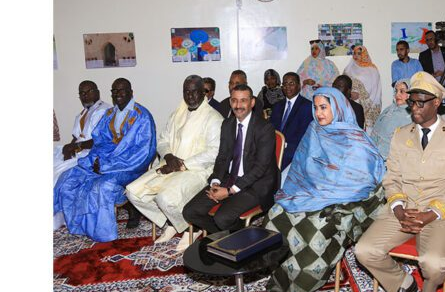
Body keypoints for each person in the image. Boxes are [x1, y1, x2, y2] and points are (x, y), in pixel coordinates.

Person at [355, 71, 445, 292]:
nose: (414, 108)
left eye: (421, 102)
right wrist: (399, 209)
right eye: (412, 102)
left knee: (434, 264)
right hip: (404, 209)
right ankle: (403, 284)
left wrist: (430, 214)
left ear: (436, 103)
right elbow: (392, 177)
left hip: (439, 213)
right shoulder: (401, 134)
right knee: (364, 250)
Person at [265, 87, 386, 292]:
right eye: (315, 107)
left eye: (323, 107)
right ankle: (280, 274)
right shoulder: (314, 130)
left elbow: (363, 180)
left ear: (337, 108)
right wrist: (311, 190)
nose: (318, 113)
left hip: (345, 202)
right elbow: (302, 168)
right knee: (275, 215)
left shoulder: (354, 138)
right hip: (311, 193)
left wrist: (327, 191)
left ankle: (300, 283)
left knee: (315, 230)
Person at [125, 76, 223, 249]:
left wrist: (183, 164)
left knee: (165, 198)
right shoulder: (177, 114)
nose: (190, 96)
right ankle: (173, 221)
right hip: (170, 165)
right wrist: (169, 156)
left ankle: (193, 228)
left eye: (194, 91)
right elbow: (162, 141)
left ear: (203, 92)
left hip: (197, 170)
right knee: (133, 193)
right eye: (186, 92)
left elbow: (214, 153)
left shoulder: (214, 118)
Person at [53, 78, 157, 242]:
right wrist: (95, 161)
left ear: (131, 92)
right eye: (114, 91)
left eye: (121, 90)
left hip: (130, 167)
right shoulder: (110, 115)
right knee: (68, 179)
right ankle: (79, 227)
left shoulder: (142, 116)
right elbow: (99, 142)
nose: (117, 94)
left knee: (100, 186)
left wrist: (107, 165)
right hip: (104, 163)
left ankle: (104, 233)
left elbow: (143, 152)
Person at [181, 84, 279, 249]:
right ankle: (229, 237)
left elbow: (260, 168)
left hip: (256, 184)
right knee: (190, 211)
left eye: (243, 100)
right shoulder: (227, 124)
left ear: (252, 103)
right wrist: (216, 182)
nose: (238, 105)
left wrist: (230, 191)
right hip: (229, 178)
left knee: (222, 217)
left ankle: (239, 240)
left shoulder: (264, 128)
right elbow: (222, 157)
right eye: (234, 100)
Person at [54, 80, 112, 186]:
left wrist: (75, 146)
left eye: (89, 92)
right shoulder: (85, 112)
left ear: (97, 92)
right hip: (79, 151)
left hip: (93, 155)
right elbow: (77, 137)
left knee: (57, 175)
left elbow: (101, 140)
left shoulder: (104, 111)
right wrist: (69, 149)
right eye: (82, 93)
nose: (85, 96)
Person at [269, 72, 314, 171]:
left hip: (294, 155)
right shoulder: (277, 106)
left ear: (299, 86)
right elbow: (271, 130)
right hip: (275, 152)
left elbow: (304, 137)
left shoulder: (307, 106)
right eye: (285, 84)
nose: (287, 87)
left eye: (291, 83)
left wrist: (283, 147)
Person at [418, 30, 445, 125]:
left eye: (431, 39)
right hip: (434, 90)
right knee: (431, 118)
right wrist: (432, 76)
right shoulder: (423, 55)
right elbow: (422, 74)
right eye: (427, 40)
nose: (429, 42)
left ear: (436, 39)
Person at [370, 79, 412, 159]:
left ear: (410, 94)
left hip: (389, 160)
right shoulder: (390, 109)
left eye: (402, 91)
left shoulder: (410, 117)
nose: (397, 94)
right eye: (396, 91)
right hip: (374, 154)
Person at [344, 45, 382, 130]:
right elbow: (344, 84)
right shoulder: (348, 68)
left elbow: (375, 88)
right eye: (354, 53)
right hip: (351, 104)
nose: (356, 56)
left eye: (359, 53)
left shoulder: (372, 69)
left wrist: (360, 96)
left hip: (367, 103)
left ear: (364, 54)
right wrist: (349, 94)